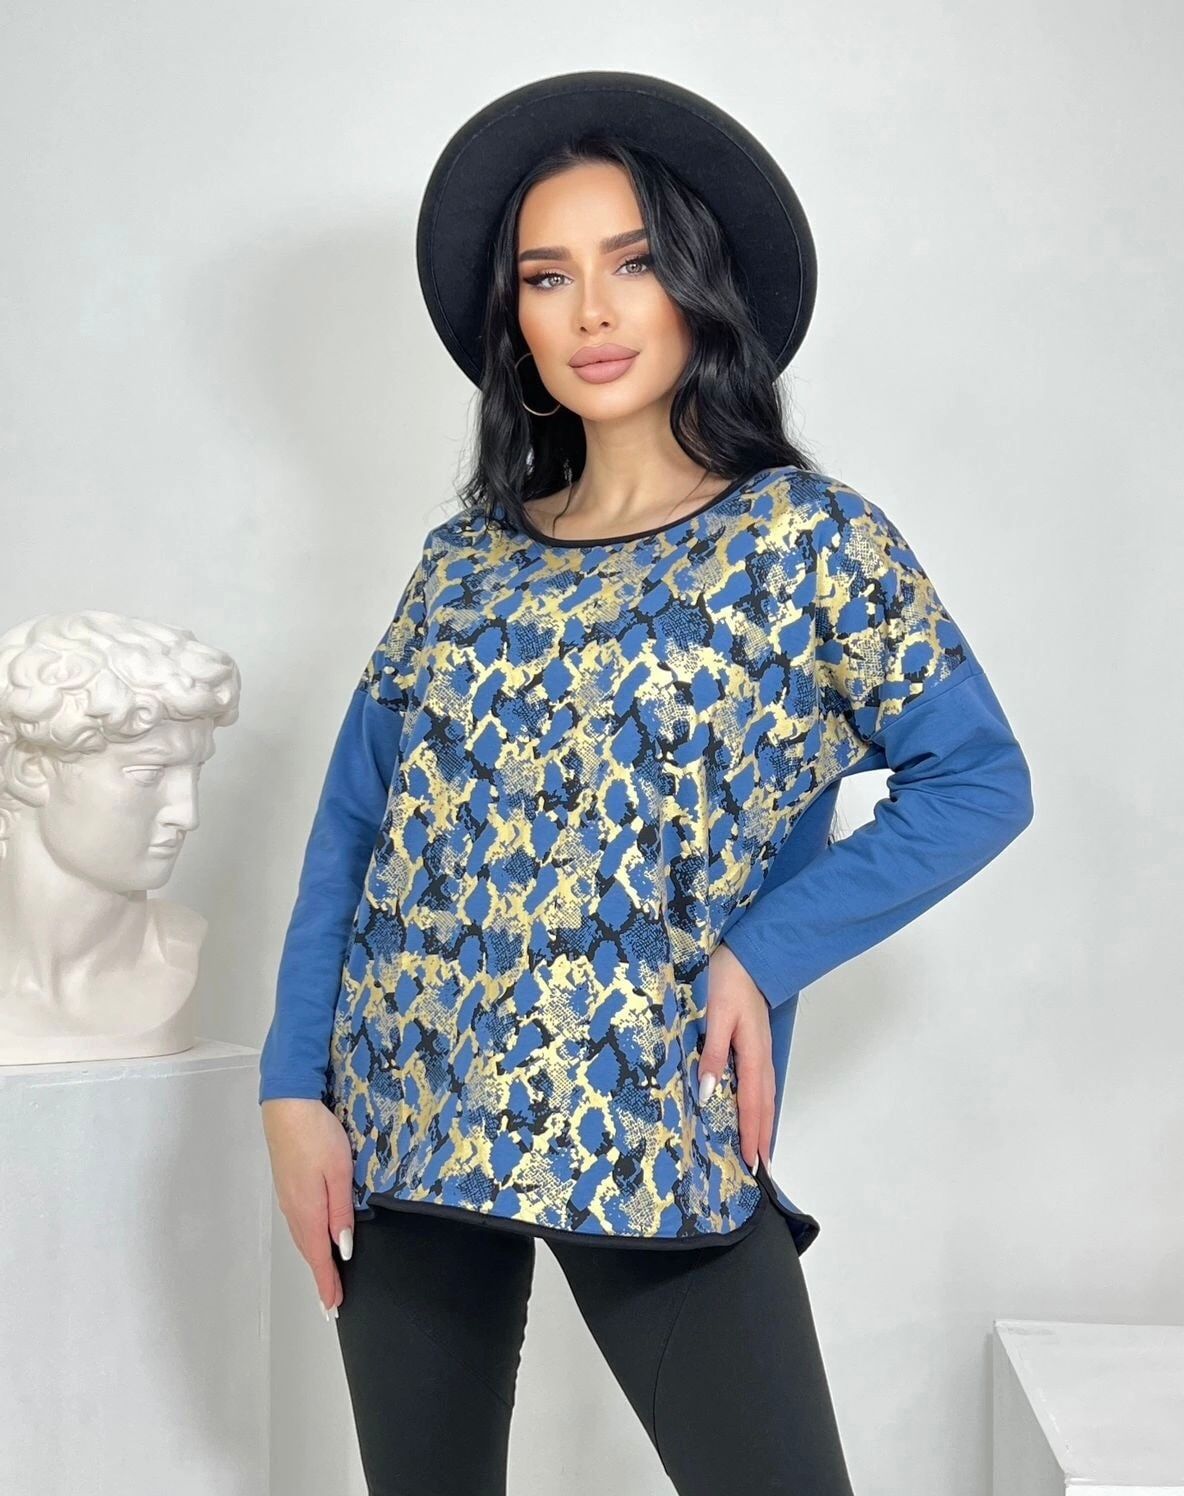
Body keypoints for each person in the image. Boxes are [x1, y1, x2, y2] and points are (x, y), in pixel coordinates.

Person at [258, 71, 1035, 1496]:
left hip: (654, 1111)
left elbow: (977, 780)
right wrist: (290, 1089)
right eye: (548, 278)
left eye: (631, 264)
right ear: (516, 320)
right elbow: (355, 829)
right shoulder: (465, 562)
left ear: (697, 283)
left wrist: (762, 950)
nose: (593, 313)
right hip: (405, 1104)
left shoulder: (810, 543)